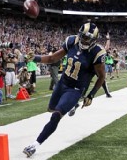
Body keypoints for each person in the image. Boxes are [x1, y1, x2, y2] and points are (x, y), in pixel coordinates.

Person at [23, 22, 106, 158]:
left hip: (75, 88)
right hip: (62, 83)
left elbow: (102, 76)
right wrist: (35, 58)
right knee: (50, 109)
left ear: (94, 39)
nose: (85, 41)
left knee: (56, 115)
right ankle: (73, 104)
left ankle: (35, 145)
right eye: (83, 37)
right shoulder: (71, 41)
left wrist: (91, 95)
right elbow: (52, 58)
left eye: (88, 38)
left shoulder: (97, 53)